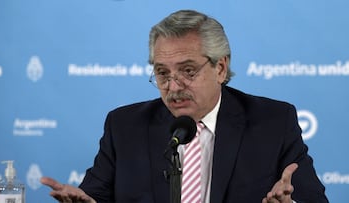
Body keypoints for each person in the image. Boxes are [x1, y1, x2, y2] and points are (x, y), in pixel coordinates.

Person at [41, 9, 329, 203]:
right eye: (163, 73)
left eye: (188, 71)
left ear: (220, 67)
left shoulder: (273, 122)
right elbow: (95, 196)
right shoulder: (124, 126)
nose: (174, 86)